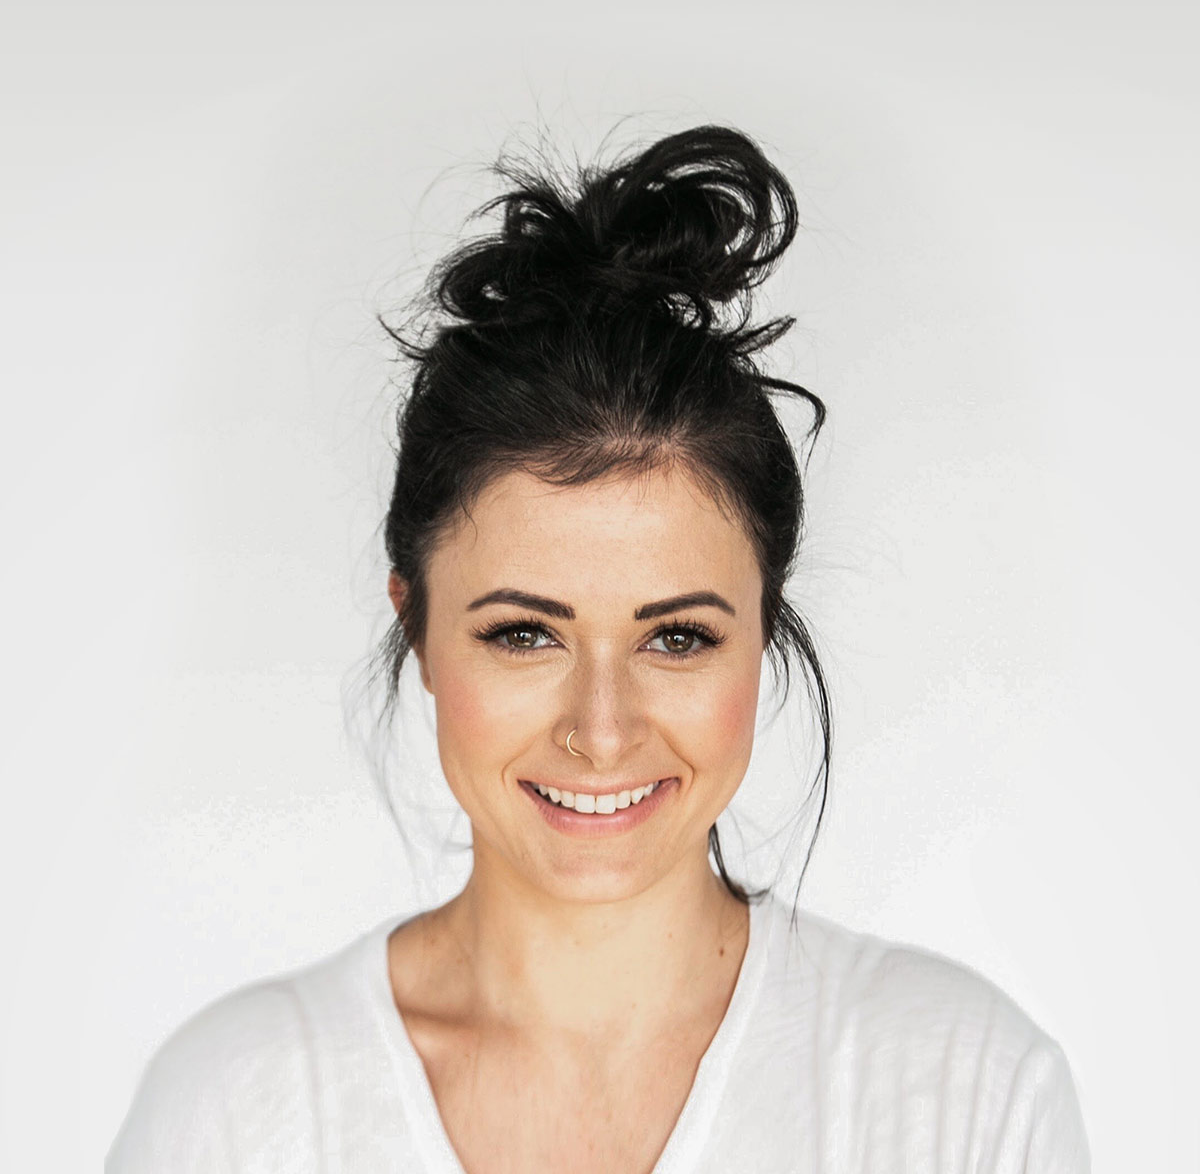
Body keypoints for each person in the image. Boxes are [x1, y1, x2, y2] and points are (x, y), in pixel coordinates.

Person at [107, 124, 1091, 1173]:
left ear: (763, 636)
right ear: (416, 627)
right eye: (524, 633)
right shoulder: (235, 1114)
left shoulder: (965, 1097)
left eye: (678, 637)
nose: (602, 731)